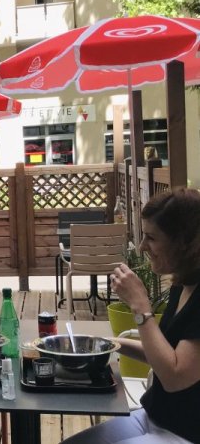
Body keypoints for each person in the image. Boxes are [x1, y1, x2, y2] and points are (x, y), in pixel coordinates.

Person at [63, 188, 200, 444]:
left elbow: (175, 376)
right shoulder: (183, 284)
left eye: (151, 238)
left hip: (187, 433)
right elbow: (164, 354)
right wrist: (100, 344)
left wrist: (140, 305)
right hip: (156, 417)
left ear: (183, 242)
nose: (142, 246)